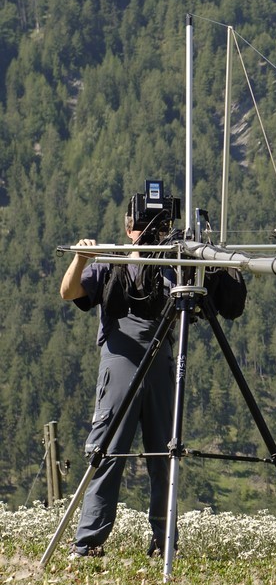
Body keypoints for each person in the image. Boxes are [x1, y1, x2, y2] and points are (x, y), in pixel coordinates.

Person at [59, 209, 177, 559]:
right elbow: (68, 292)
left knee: (164, 456)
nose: (149, 232)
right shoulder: (111, 262)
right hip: (120, 363)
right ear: (129, 231)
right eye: (142, 226)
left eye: (158, 227)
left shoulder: (175, 264)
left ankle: (164, 541)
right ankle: (88, 541)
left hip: (160, 364)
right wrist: (82, 258)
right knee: (107, 452)